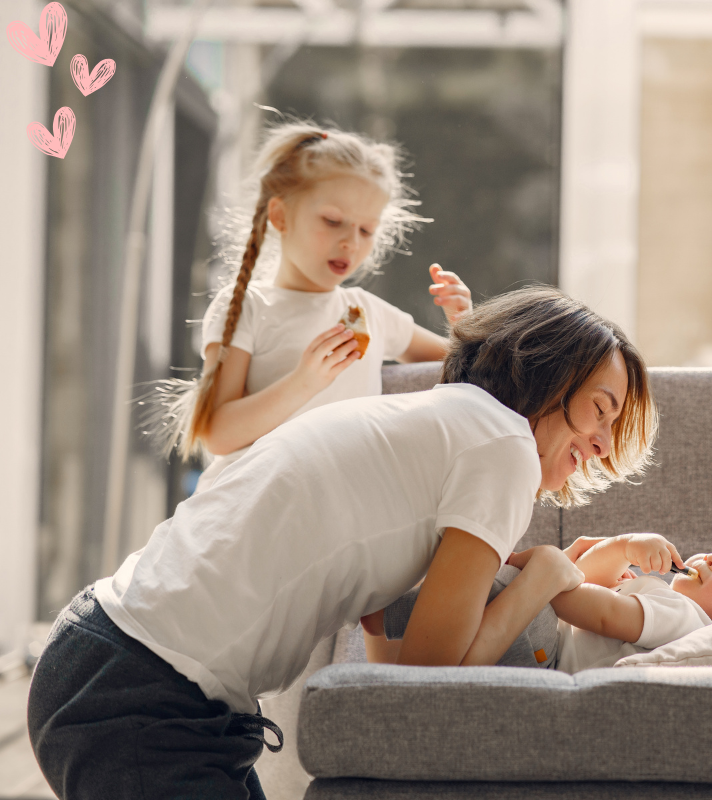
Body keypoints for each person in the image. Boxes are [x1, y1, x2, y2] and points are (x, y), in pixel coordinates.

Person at [27, 287, 657, 799]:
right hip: (144, 691)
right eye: (600, 410)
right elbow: (431, 686)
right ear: (545, 371)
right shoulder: (503, 447)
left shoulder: (435, 427)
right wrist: (547, 573)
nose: (602, 444)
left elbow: (389, 674)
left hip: (124, 666)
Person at [152, 122, 473, 493]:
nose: (351, 243)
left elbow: (464, 369)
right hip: (253, 500)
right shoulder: (245, 307)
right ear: (280, 216)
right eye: (332, 221)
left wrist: (462, 321)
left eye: (366, 230)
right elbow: (218, 434)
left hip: (338, 504)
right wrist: (304, 382)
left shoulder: (366, 311)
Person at [365, 534, 712, 673]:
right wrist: (623, 549)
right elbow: (591, 583)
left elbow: (598, 611)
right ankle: (389, 625)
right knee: (501, 586)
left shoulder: (687, 621)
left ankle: (383, 613)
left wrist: (546, 576)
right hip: (543, 650)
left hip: (547, 658)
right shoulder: (664, 600)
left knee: (502, 588)